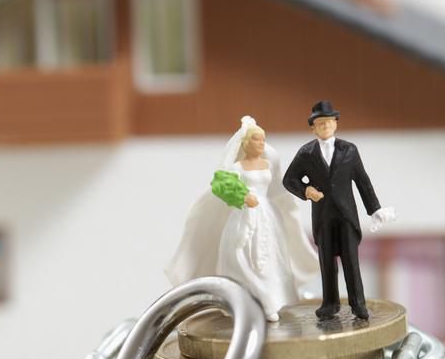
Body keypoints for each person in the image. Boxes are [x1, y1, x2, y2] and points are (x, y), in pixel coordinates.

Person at [166, 116, 320, 322]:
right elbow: (221, 184)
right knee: (239, 255)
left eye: (263, 139)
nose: (261, 143)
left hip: (266, 216)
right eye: (257, 139)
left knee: (268, 258)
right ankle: (237, 300)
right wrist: (243, 196)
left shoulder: (267, 164)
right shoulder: (237, 167)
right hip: (243, 215)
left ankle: (269, 301)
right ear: (246, 143)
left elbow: (277, 188)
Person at [282, 100, 396, 320]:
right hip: (323, 216)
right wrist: (306, 190)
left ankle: (358, 304)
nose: (325, 127)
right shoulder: (306, 153)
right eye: (320, 123)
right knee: (326, 262)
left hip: (346, 216)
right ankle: (330, 303)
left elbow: (363, 181)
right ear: (313, 128)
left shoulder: (349, 150)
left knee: (351, 261)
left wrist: (374, 209)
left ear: (336, 124)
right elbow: (289, 179)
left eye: (329, 122)